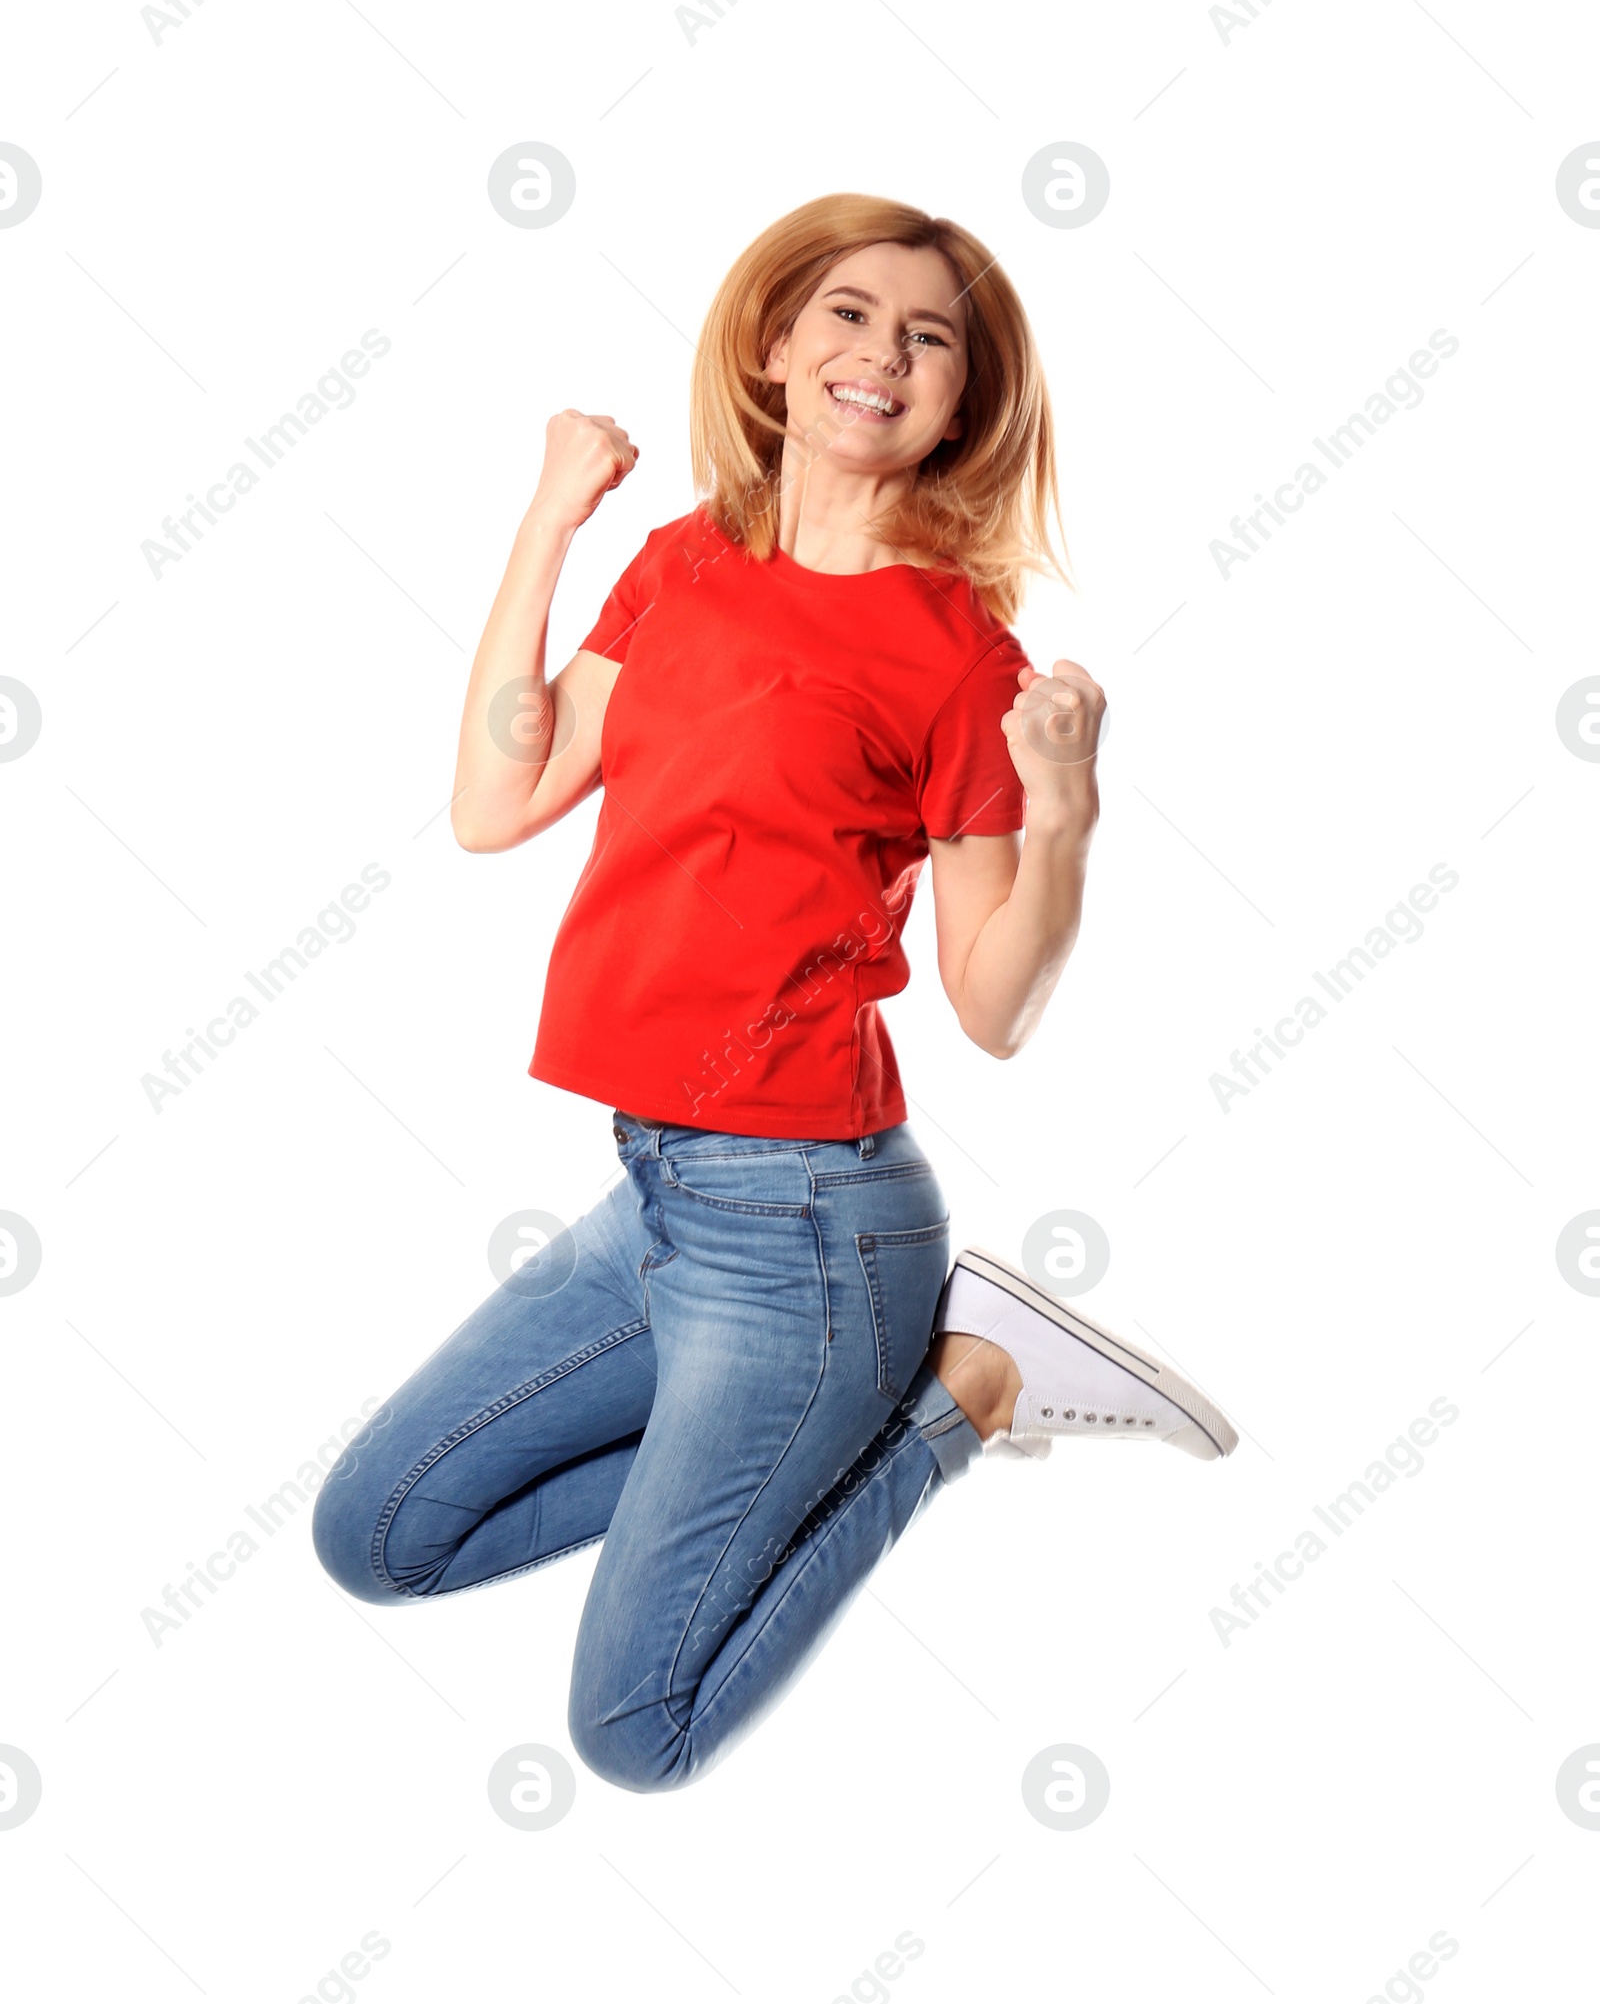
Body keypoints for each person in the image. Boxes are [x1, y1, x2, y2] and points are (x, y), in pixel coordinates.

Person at [312, 192, 1238, 1792]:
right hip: (655, 1193)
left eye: (930, 337)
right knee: (377, 1535)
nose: (884, 352)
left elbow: (992, 1004)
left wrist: (1068, 816)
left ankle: (965, 1385)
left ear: (963, 402)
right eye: (852, 314)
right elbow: (494, 804)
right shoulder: (683, 563)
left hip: (808, 1229)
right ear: (776, 346)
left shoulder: (961, 655)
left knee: (634, 1731)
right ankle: (830, 1416)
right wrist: (550, 519)